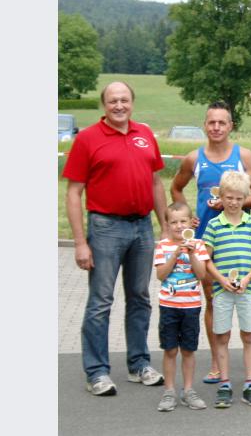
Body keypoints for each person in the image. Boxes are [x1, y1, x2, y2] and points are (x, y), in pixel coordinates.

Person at [64, 81, 166, 396]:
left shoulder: (144, 134)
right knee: (101, 302)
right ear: (104, 105)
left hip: (142, 228)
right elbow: (73, 192)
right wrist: (80, 243)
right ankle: (96, 372)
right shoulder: (87, 139)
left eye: (124, 100)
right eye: (112, 101)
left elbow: (156, 182)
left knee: (140, 298)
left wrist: (165, 228)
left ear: (132, 102)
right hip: (105, 228)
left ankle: (139, 365)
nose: (119, 106)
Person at [170, 101, 251, 384]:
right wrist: (187, 215)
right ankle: (215, 361)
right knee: (213, 299)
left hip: (240, 237)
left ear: (230, 126)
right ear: (204, 125)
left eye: (221, 122)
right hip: (207, 239)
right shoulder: (193, 158)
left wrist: (232, 202)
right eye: (211, 122)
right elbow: (176, 187)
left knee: (248, 297)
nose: (216, 127)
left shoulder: (243, 156)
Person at [202, 171, 251, 408]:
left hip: (246, 290)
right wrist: (221, 280)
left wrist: (249, 277)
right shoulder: (213, 225)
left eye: (239, 198)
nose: (233, 202)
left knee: (249, 335)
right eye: (229, 198)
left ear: (245, 198)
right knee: (222, 336)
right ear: (221, 197)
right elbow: (206, 258)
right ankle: (224, 383)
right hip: (222, 291)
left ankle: (250, 383)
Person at [154, 202, 209, 412]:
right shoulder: (163, 246)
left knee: (188, 349)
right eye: (174, 222)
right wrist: (175, 255)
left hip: (191, 306)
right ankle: (169, 391)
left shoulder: (199, 244)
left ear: (191, 222)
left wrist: (192, 254)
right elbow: (161, 275)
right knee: (169, 349)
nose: (179, 226)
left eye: (183, 221)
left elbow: (202, 274)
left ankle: (188, 390)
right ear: (167, 224)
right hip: (168, 305)